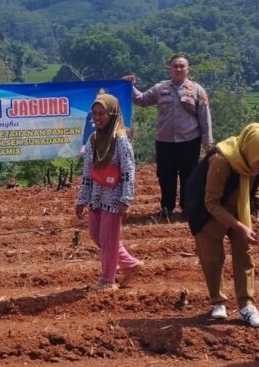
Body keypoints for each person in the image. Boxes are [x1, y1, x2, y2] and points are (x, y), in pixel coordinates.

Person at [185, 123, 259, 328]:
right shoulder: (222, 161)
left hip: (238, 205)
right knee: (212, 257)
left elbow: (256, 180)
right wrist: (241, 227)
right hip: (207, 211)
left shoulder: (254, 159)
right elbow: (211, 202)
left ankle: (246, 306)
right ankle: (217, 301)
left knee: (245, 255)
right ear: (249, 151)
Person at [124, 54, 213, 220]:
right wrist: (129, 86)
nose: (178, 69)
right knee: (165, 176)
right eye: (175, 66)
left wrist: (208, 140)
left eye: (182, 66)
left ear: (188, 69)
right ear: (170, 69)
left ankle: (188, 208)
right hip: (164, 142)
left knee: (189, 176)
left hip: (189, 141)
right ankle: (167, 208)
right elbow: (141, 100)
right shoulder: (160, 88)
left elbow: (204, 116)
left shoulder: (197, 90)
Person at [75, 94, 142, 291]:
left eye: (101, 114)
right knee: (96, 235)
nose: (97, 118)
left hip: (113, 197)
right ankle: (130, 264)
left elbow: (129, 171)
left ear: (112, 114)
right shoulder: (93, 139)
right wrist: (82, 199)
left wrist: (126, 199)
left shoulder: (121, 141)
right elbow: (87, 172)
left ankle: (107, 280)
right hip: (97, 194)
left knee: (108, 239)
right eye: (94, 114)